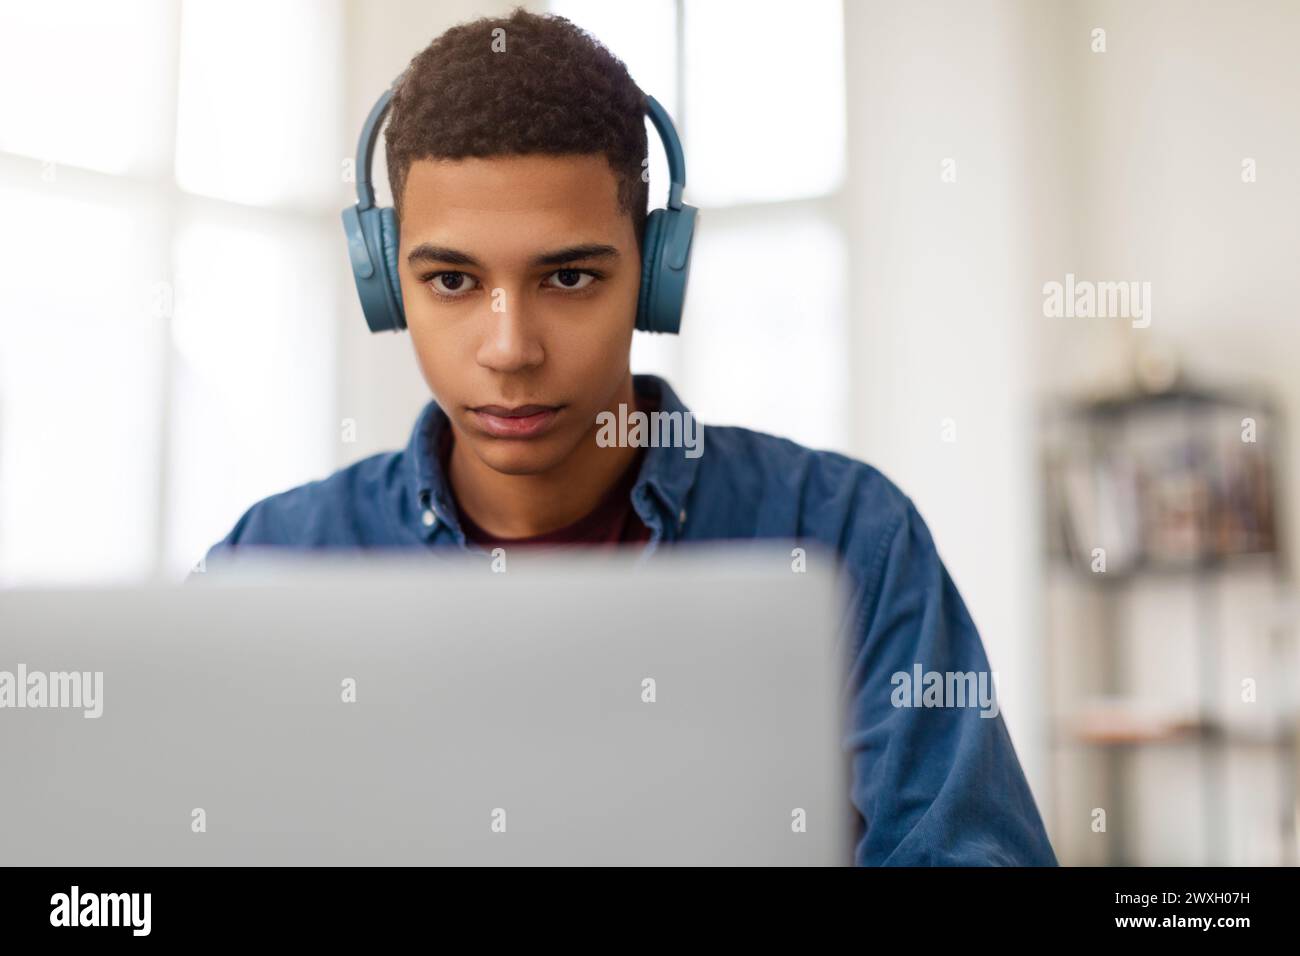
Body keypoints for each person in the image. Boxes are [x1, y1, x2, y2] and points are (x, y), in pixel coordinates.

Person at [201, 6, 1057, 866]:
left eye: (569, 276)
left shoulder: (844, 537)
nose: (510, 349)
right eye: (453, 279)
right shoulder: (272, 561)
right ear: (387, 282)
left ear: (654, 272)